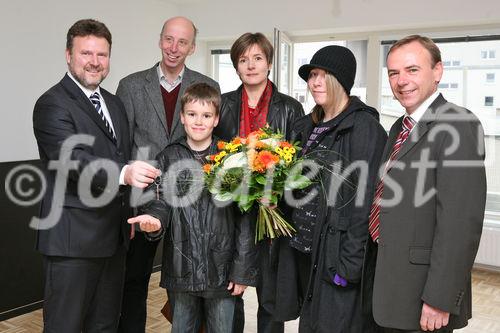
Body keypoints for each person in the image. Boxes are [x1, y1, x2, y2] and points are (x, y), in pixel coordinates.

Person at [32, 19, 159, 332]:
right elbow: (72, 160)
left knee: (104, 325)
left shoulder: (114, 104)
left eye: (102, 55)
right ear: (68, 55)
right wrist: (126, 173)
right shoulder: (52, 104)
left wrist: (128, 215)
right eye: (86, 53)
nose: (94, 62)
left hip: (113, 242)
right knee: (65, 326)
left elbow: (122, 154)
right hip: (72, 244)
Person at [370, 35, 486, 332]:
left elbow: (460, 224)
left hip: (425, 296)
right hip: (391, 286)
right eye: (394, 73)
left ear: (437, 71)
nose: (401, 80)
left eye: (412, 70)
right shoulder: (399, 126)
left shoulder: (459, 125)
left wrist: (440, 298)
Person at [116, 16, 220, 332]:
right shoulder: (131, 86)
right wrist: (126, 205)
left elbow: (215, 146)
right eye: (169, 40)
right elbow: (121, 147)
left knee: (197, 279)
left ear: (192, 46)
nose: (174, 48)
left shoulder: (207, 86)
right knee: (134, 280)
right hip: (144, 199)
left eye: (182, 42)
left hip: (193, 203)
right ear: (160, 40)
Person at [128, 83, 258, 333]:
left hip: (221, 272)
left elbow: (244, 218)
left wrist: (241, 271)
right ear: (182, 117)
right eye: (192, 114)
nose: (199, 121)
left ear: (216, 119)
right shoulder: (169, 157)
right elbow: (160, 202)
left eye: (206, 115)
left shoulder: (231, 159)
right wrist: (154, 221)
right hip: (181, 270)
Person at [287, 45, 387, 332]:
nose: (315, 82)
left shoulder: (364, 127)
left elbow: (365, 201)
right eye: (312, 75)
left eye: (324, 75)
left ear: (342, 81)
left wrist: (350, 265)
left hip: (336, 258)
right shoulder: (306, 125)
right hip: (306, 252)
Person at [213, 32, 304, 333]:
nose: (250, 65)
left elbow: (298, 162)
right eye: (243, 59)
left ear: (269, 63)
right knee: (230, 297)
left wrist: (277, 191)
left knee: (270, 301)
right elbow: (214, 159)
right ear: (236, 66)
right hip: (230, 216)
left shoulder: (290, 108)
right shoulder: (222, 105)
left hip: (272, 219)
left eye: (257, 58)